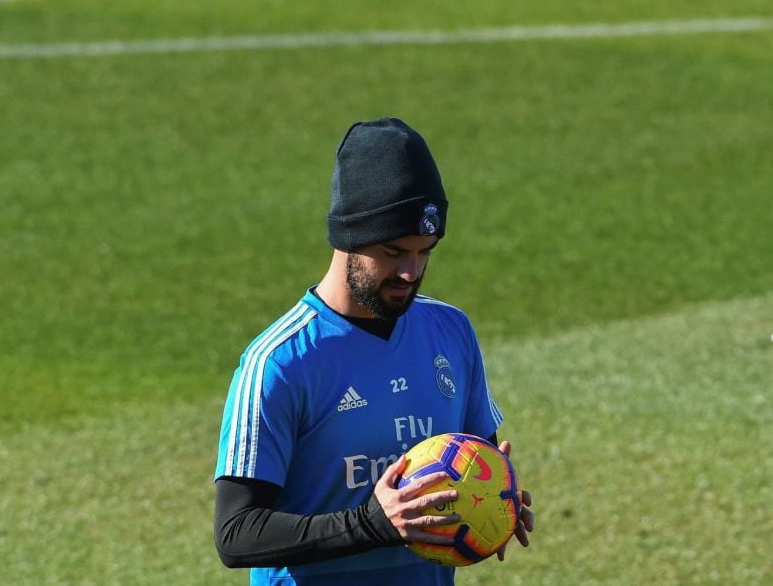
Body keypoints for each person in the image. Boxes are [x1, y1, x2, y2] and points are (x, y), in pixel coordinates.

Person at [214, 117, 534, 585]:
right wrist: (368, 525)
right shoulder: (281, 362)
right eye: (393, 251)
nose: (411, 271)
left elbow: (471, 459)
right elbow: (236, 533)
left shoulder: (450, 331)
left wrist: (493, 500)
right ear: (348, 236)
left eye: (425, 251)